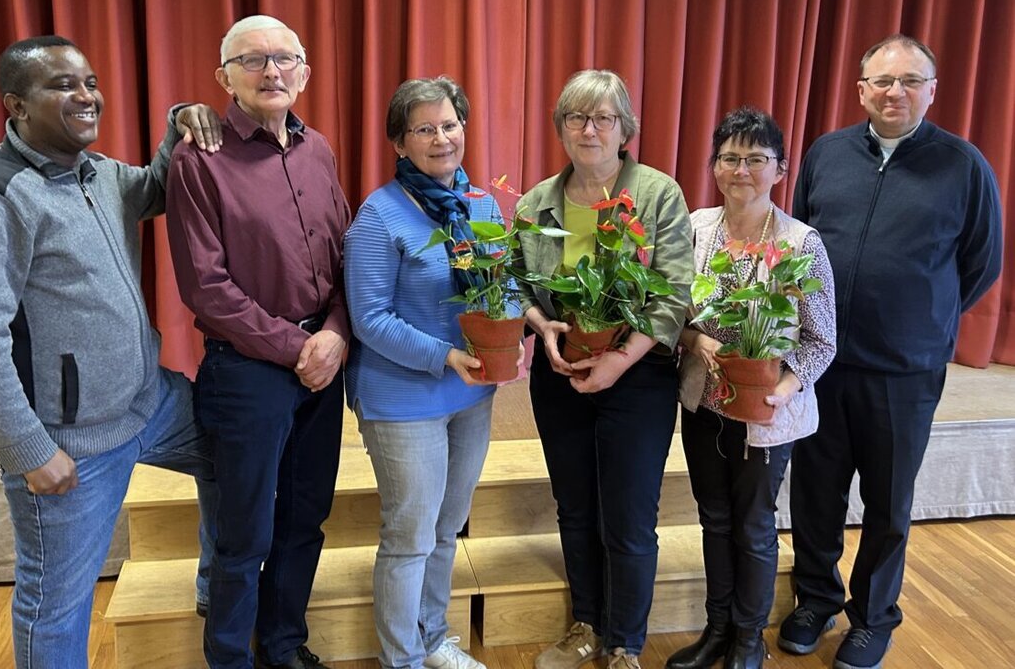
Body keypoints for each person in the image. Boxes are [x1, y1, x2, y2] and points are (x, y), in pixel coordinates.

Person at [0, 35, 222, 669]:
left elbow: (159, 186)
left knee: (237, 450)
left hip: (150, 405)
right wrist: (28, 449)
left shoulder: (103, 175)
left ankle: (216, 591)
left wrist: (179, 121)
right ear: (16, 105)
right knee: (56, 605)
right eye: (62, 85)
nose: (86, 95)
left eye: (88, 82)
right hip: (69, 441)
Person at [781, 35, 1003, 669]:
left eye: (910, 80)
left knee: (888, 501)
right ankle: (814, 598)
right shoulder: (827, 154)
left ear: (933, 90)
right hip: (821, 363)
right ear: (861, 90)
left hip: (905, 371)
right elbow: (801, 245)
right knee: (816, 492)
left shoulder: (962, 166)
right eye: (882, 81)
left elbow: (980, 265)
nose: (895, 91)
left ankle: (873, 616)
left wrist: (920, 316)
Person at [166, 15, 350, 669]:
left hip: (323, 365)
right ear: (225, 78)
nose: (271, 71)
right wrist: (294, 348)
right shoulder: (198, 158)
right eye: (253, 60)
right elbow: (206, 287)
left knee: (305, 522)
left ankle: (283, 648)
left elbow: (341, 254)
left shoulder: (318, 149)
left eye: (284, 59)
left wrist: (333, 334)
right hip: (248, 373)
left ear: (303, 72)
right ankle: (229, 660)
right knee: (243, 538)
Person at [515, 69, 694, 669]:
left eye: (603, 119)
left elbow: (673, 292)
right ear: (561, 127)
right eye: (576, 117)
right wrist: (542, 327)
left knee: (630, 511)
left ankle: (625, 643)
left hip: (638, 373)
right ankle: (586, 623)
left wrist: (620, 359)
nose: (589, 129)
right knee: (574, 505)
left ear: (625, 129)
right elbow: (519, 286)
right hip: (562, 369)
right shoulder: (537, 202)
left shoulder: (658, 194)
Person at [344, 76, 509, 669]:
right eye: (424, 129)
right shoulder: (378, 216)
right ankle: (403, 659)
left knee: (446, 528)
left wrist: (524, 322)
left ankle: (433, 637)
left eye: (450, 124)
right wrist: (444, 355)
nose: (441, 138)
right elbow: (368, 319)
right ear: (399, 142)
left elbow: (502, 288)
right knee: (410, 536)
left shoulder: (481, 206)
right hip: (403, 397)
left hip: (471, 391)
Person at [666, 107, 836, 669]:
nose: (742, 169)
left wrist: (783, 390)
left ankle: (747, 638)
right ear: (715, 166)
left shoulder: (799, 242)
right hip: (704, 401)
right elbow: (669, 316)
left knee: (755, 525)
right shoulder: (695, 229)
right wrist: (694, 340)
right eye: (730, 158)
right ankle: (716, 629)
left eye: (756, 159)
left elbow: (822, 340)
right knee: (712, 518)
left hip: (767, 411)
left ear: (780, 170)